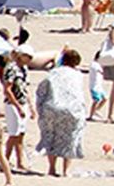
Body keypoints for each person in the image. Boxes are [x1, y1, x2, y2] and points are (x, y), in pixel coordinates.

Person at [35, 48, 87, 176]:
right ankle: (66, 170)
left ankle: (52, 168)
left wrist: (40, 107)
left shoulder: (53, 73)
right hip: (72, 109)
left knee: (51, 136)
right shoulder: (78, 75)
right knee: (69, 138)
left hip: (52, 107)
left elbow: (42, 90)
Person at [0, 46, 34, 174]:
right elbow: (7, 90)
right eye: (28, 57)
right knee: (13, 134)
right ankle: (5, 160)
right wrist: (18, 107)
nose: (30, 59)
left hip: (22, 102)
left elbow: (25, 88)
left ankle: (20, 162)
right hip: (12, 104)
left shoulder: (24, 69)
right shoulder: (11, 68)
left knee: (21, 134)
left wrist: (30, 106)